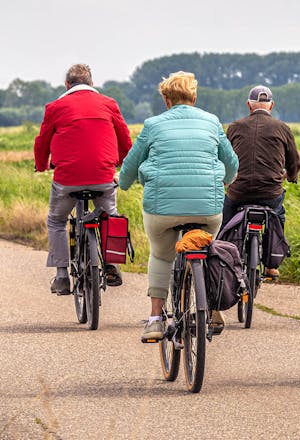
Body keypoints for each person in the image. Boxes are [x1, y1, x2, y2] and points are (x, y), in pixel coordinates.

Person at [118, 71, 239, 341]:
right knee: (207, 249)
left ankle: (155, 319)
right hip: (207, 209)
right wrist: (226, 180)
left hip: (162, 210)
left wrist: (124, 183)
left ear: (165, 99)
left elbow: (130, 166)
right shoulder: (212, 122)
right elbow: (231, 164)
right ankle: (211, 307)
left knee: (161, 255)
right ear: (194, 97)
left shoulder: (152, 125)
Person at [34, 64, 132, 295]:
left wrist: (41, 165)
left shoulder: (55, 107)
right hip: (103, 176)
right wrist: (120, 162)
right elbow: (124, 138)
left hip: (67, 179)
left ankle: (61, 276)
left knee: (57, 221)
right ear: (91, 83)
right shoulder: (109, 104)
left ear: (67, 85)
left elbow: (42, 141)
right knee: (111, 217)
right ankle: (111, 264)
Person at [222, 85, 300, 279]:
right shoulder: (283, 128)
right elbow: (294, 161)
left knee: (225, 221)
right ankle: (272, 265)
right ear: (271, 106)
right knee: (278, 216)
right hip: (270, 193)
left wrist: (225, 179)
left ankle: (223, 259)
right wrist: (292, 176)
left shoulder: (234, 127)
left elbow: (222, 158)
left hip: (238, 191)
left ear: (249, 105)